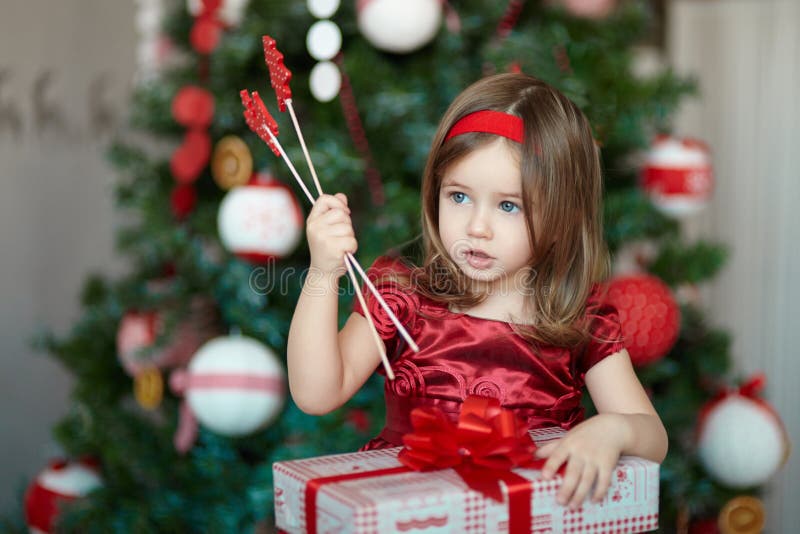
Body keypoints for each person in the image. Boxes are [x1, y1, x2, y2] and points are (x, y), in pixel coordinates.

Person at [287, 73, 667, 510]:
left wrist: (616, 429)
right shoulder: (402, 296)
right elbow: (316, 393)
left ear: (561, 214)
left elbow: (652, 438)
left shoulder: (579, 320)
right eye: (459, 196)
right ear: (435, 192)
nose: (477, 227)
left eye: (509, 205)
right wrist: (322, 272)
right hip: (413, 514)